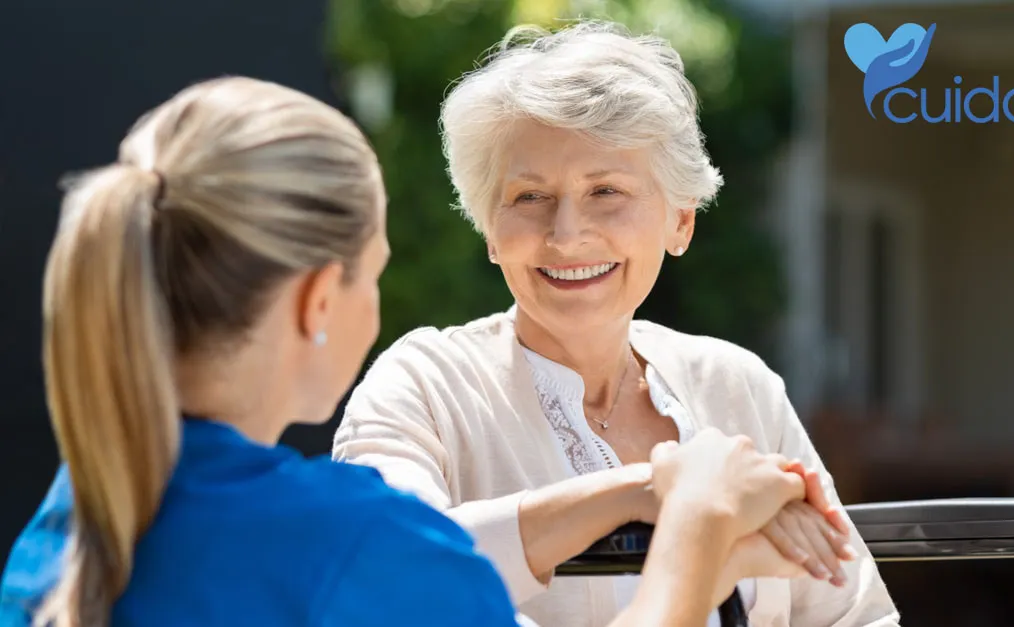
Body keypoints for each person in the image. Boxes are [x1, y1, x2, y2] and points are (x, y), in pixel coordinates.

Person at [0, 76, 827, 627]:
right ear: (321, 300)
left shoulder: (77, 520)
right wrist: (697, 524)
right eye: (376, 275)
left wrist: (644, 489)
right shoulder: (362, 546)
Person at [331, 20, 900, 627]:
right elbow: (382, 567)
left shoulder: (737, 384)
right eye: (529, 197)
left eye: (606, 190)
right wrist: (658, 494)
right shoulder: (424, 386)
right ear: (490, 230)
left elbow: (855, 614)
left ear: (680, 222)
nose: (566, 234)